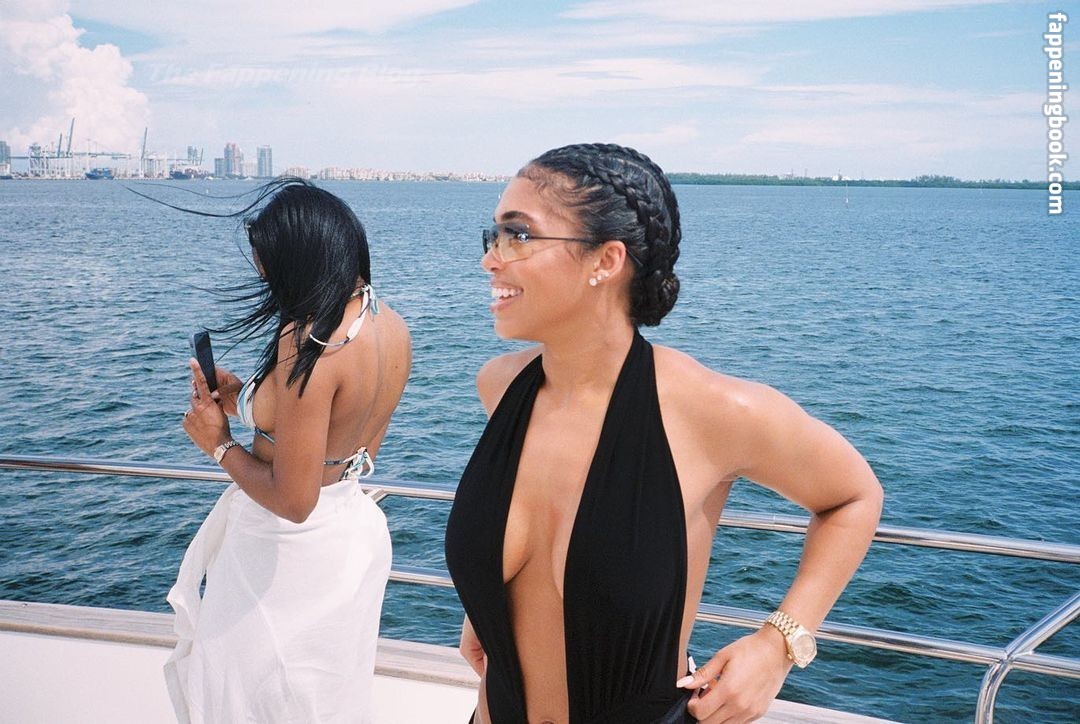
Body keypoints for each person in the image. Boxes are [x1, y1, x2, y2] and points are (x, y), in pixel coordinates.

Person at [444, 144, 883, 724]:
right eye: (494, 236)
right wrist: (489, 602)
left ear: (606, 260)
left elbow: (853, 497)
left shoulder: (709, 411)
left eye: (517, 236)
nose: (490, 260)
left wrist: (779, 642)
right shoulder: (501, 388)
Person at [163, 179, 411, 723]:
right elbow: (347, 445)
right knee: (317, 703)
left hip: (284, 556)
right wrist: (246, 401)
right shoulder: (389, 324)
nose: (266, 280)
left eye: (269, 268)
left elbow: (295, 500)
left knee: (247, 700)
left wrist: (218, 443)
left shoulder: (309, 342)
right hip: (347, 539)